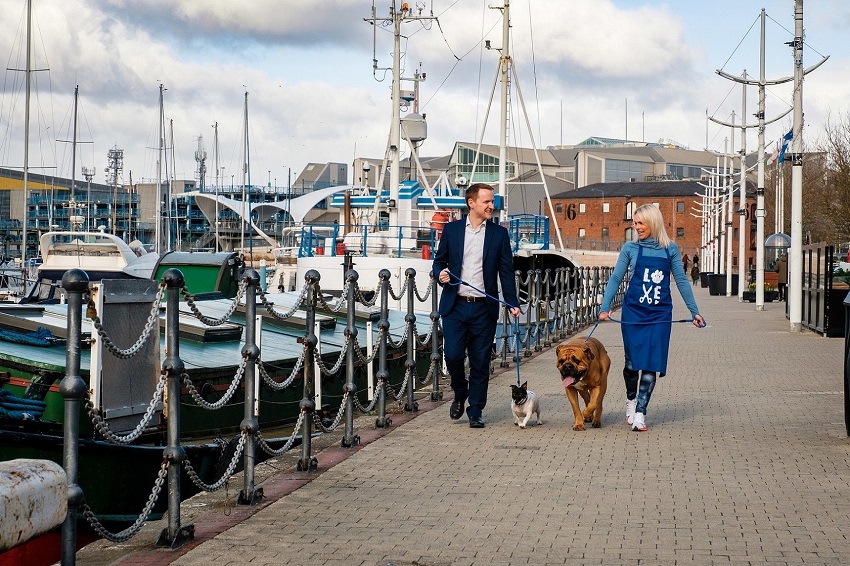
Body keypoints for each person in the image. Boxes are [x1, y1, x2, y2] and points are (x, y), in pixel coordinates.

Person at [598, 204, 705, 432]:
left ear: (653, 223)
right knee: (631, 364)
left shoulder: (670, 250)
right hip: (634, 312)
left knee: (650, 364)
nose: (637, 228)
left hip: (660, 314)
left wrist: (694, 311)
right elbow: (616, 278)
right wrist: (604, 307)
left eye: (641, 223)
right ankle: (631, 400)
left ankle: (640, 413)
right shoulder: (630, 248)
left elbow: (682, 281)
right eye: (635, 223)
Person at [432, 183, 521, 429]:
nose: (492, 206)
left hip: (484, 308)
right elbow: (438, 263)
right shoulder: (451, 231)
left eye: (492, 202)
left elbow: (506, 271)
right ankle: (460, 392)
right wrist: (441, 274)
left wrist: (512, 302)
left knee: (481, 361)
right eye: (487, 202)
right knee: (452, 355)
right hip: (455, 305)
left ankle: (475, 410)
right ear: (471, 203)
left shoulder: (498, 234)